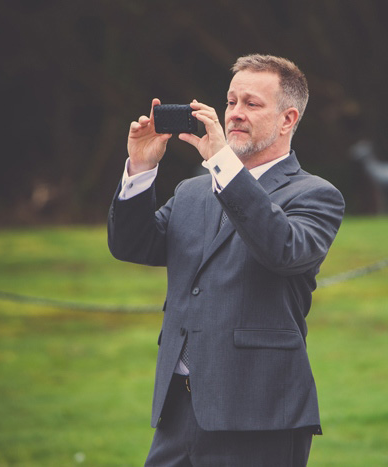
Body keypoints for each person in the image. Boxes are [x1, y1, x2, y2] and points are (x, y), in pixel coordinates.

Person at [108, 54, 344, 466]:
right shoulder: (192, 192)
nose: (234, 114)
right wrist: (141, 168)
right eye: (231, 101)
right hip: (177, 410)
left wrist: (224, 166)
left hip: (259, 413)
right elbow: (133, 245)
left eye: (251, 104)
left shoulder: (316, 194)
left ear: (288, 119)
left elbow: (283, 249)